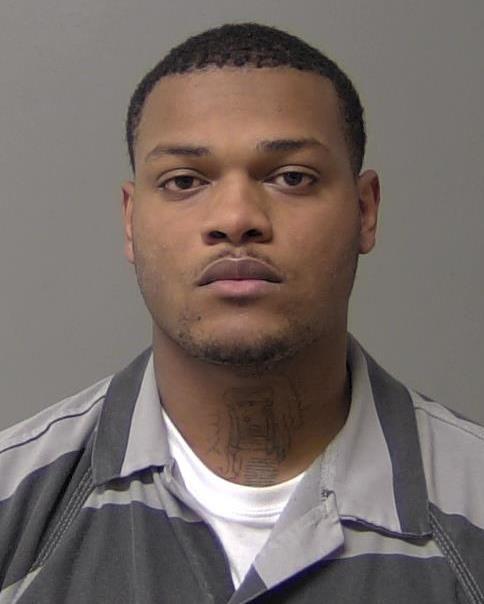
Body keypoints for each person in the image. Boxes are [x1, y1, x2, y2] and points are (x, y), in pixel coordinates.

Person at [0, 22, 483, 604]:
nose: (236, 218)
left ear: (365, 210)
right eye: (184, 181)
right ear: (130, 221)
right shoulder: (14, 505)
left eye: (291, 177)